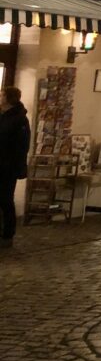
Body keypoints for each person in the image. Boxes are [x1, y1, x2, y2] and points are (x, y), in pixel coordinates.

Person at [0, 86, 31, 249]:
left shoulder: (19, 119)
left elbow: (22, 146)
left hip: (7, 167)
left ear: (8, 98)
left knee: (5, 199)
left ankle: (7, 234)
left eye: (1, 95)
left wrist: (10, 163)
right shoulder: (3, 115)